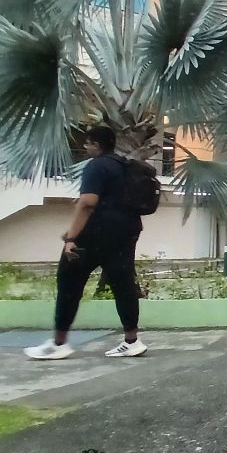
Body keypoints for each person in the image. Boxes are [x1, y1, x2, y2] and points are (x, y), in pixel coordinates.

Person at [24, 126, 148, 360]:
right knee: (123, 285)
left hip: (96, 234)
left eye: (88, 143)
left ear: (97, 145)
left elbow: (87, 203)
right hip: (126, 230)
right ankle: (132, 340)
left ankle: (59, 343)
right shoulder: (124, 165)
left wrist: (71, 237)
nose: (85, 147)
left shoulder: (97, 166)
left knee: (69, 282)